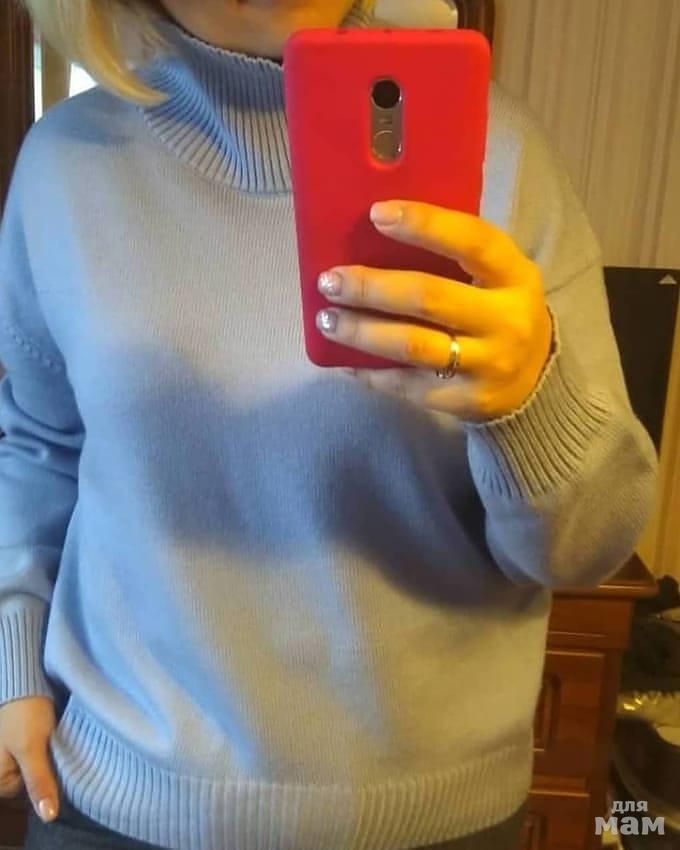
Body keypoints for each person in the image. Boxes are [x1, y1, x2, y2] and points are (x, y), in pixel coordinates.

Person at [0, 1, 658, 849]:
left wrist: (530, 400)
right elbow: (41, 446)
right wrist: (13, 656)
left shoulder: (501, 158)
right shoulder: (63, 167)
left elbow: (586, 552)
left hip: (436, 819)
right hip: (115, 797)